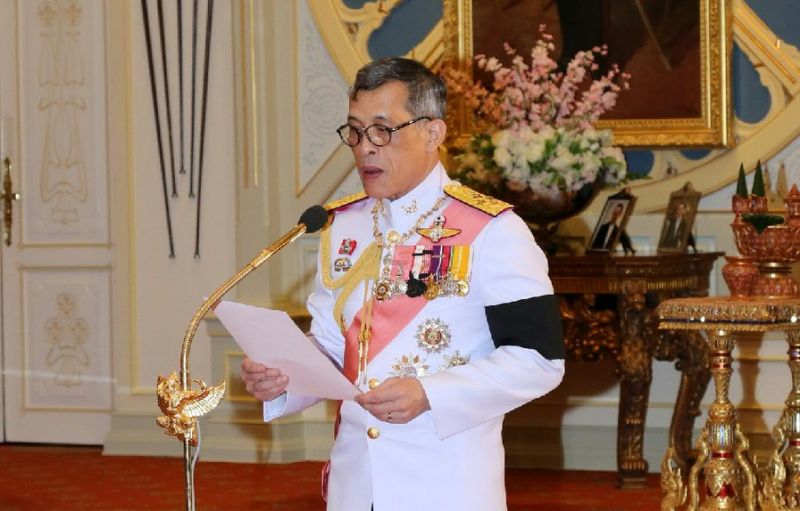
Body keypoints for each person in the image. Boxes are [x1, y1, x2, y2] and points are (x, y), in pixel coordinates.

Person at [240, 57, 565, 511]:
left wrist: (430, 393)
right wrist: (285, 376)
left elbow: (539, 359)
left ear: (433, 133)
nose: (364, 148)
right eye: (354, 131)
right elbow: (335, 348)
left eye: (382, 130)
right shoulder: (343, 227)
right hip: (356, 483)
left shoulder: (493, 230)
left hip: (445, 482)